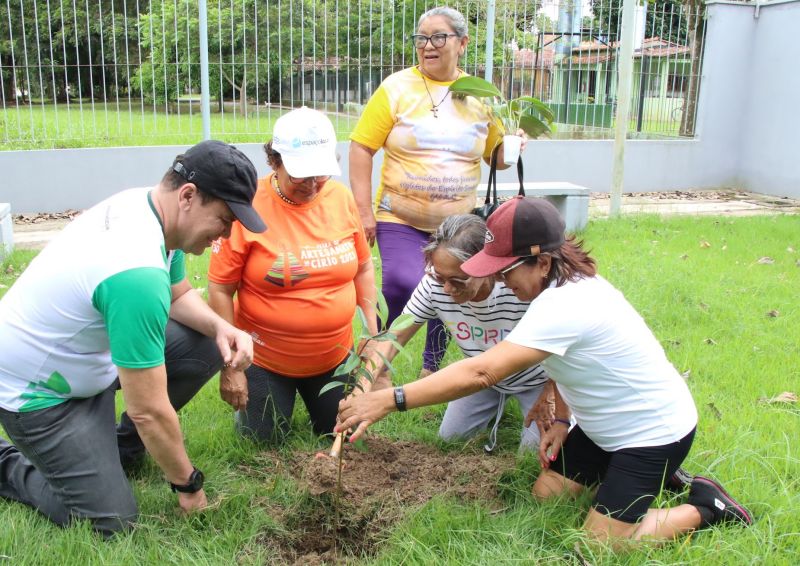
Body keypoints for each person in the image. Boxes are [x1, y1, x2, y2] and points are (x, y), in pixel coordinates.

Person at [337, 197, 752, 545]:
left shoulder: (563, 303)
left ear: (541, 260)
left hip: (651, 433)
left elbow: (482, 372)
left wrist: (390, 400)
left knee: (602, 543)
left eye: (506, 269)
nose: (500, 279)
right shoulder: (554, 285)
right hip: (600, 427)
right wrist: (562, 417)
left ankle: (705, 505)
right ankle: (635, 480)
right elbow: (574, 364)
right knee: (546, 498)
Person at [0, 140, 265, 536]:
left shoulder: (151, 209)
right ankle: (7, 463)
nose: (224, 236)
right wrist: (188, 485)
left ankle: (120, 450)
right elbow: (149, 409)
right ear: (188, 196)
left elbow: (178, 295)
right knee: (109, 522)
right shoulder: (135, 271)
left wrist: (223, 328)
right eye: (224, 220)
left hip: (88, 364)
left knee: (206, 344)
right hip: (40, 395)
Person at [349, 6, 519, 379]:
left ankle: (431, 368)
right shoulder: (396, 88)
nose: (428, 45)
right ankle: (380, 363)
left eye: (438, 37)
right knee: (401, 283)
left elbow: (496, 158)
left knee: (451, 282)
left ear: (462, 43)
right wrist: (364, 212)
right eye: (421, 38)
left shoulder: (480, 96)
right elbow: (362, 147)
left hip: (457, 223)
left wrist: (514, 146)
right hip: (399, 215)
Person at [208, 107, 377, 445]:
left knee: (341, 432)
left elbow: (363, 267)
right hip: (265, 358)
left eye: (321, 173)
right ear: (275, 161)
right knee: (261, 441)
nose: (313, 185)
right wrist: (232, 365)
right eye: (302, 174)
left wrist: (373, 335)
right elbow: (220, 288)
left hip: (334, 355)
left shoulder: (340, 198)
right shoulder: (248, 206)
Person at [364, 214, 549, 452]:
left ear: (485, 267)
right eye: (440, 277)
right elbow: (394, 337)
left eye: (458, 280)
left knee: (535, 454)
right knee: (450, 439)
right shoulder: (435, 283)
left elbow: (566, 345)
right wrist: (362, 388)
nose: (448, 289)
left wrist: (552, 392)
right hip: (479, 377)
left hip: (537, 380)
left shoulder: (519, 286)